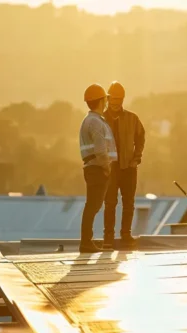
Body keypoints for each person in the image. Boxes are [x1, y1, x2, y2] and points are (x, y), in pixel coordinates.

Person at [102, 81, 146, 250]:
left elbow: (141, 137)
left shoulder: (132, 118)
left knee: (128, 203)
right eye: (113, 99)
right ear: (108, 98)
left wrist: (136, 158)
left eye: (118, 99)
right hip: (110, 168)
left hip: (128, 167)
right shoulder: (101, 119)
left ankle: (125, 235)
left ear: (123, 99)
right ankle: (108, 238)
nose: (115, 103)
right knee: (110, 203)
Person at [78, 83, 117, 253]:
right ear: (101, 101)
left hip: (93, 168)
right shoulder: (95, 122)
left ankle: (87, 241)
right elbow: (101, 150)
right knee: (93, 206)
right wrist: (107, 168)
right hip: (97, 169)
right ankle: (86, 243)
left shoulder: (91, 120)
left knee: (92, 205)